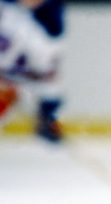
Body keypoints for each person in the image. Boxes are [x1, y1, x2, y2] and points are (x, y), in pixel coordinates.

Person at [0, 0, 65, 142]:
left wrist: (47, 115)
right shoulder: (9, 12)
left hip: (13, 79)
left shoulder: (45, 41)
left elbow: (49, 82)